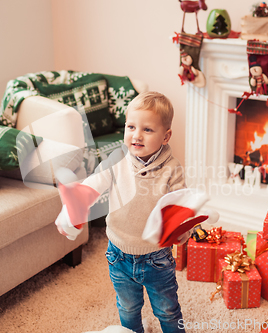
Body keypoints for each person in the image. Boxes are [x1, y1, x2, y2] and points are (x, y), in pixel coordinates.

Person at [57, 91, 189, 333]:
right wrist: (73, 206)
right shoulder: (117, 159)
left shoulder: (172, 168)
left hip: (156, 256)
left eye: (147, 130)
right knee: (127, 308)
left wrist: (182, 230)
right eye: (131, 127)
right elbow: (93, 184)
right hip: (118, 253)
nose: (136, 135)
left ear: (166, 136)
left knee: (167, 310)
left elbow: (181, 205)